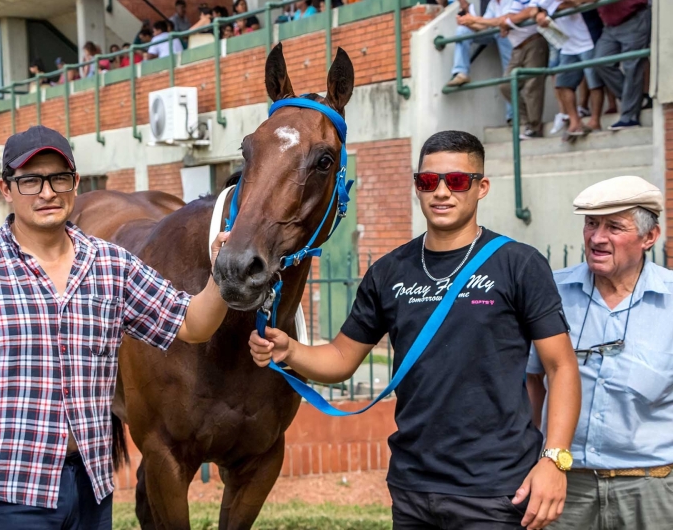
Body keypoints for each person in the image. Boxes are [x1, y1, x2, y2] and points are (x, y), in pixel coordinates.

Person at [0, 125, 230, 530]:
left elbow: (193, 323)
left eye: (58, 178)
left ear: (75, 183)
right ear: (6, 189)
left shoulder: (110, 265)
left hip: (86, 491)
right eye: (30, 181)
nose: (47, 192)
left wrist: (223, 274)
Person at [249, 130, 582, 530]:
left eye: (457, 181)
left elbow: (561, 367)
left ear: (482, 187)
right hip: (412, 486)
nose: (441, 192)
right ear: (417, 186)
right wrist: (291, 351)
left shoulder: (519, 264)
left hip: (497, 489)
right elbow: (340, 358)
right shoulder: (389, 271)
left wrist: (554, 460)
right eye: (428, 181)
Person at [526, 175, 673, 529]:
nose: (596, 238)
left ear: (649, 237)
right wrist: (531, 457)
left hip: (651, 488)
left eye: (614, 227)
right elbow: (531, 380)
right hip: (564, 482)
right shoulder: (551, 292)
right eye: (591, 224)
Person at [579, 0, 650, 130]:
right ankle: (633, 100)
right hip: (610, 25)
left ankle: (629, 118)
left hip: (634, 18)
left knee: (632, 67)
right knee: (600, 62)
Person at [536, 1, 601, 138]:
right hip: (568, 44)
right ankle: (574, 122)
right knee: (563, 84)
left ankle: (595, 120)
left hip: (588, 38)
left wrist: (554, 7)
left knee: (595, 82)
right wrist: (540, 13)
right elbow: (538, 7)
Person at [447, 0, 514, 124]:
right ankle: (461, 72)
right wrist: (467, 23)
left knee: (510, 74)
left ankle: (513, 116)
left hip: (513, 37)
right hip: (497, 33)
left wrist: (475, 19)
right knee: (462, 31)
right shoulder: (493, 4)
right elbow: (484, 26)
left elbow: (502, 21)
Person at [499, 0, 549, 140]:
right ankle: (528, 122)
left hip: (534, 40)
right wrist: (506, 21)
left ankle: (534, 127)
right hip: (518, 47)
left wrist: (507, 22)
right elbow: (512, 14)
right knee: (506, 85)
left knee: (533, 86)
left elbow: (529, 12)